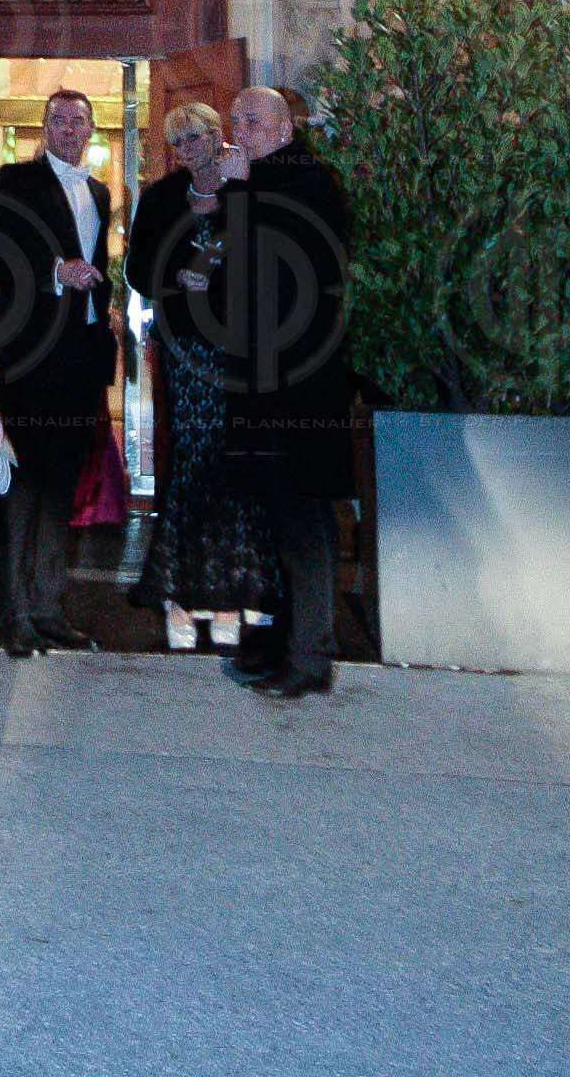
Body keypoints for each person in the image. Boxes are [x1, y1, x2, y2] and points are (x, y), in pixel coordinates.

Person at [210, 85, 354, 700]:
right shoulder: (262, 181)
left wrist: (238, 191)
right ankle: (286, 648)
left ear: (285, 129)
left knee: (303, 519)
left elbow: (266, 263)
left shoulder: (310, 185)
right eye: (235, 118)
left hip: (300, 387)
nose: (239, 128)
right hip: (262, 383)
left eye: (253, 119)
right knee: (276, 522)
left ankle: (312, 658)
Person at [126, 100, 281, 654]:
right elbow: (138, 270)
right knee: (193, 459)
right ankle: (182, 595)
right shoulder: (162, 198)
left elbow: (272, 263)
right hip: (187, 347)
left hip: (241, 349)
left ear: (220, 135)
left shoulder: (249, 186)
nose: (192, 148)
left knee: (236, 462)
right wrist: (181, 274)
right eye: (181, 141)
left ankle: (236, 592)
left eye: (200, 135)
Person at [0, 87, 116, 656]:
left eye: (77, 120)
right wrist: (54, 271)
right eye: (56, 119)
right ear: (42, 127)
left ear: (91, 131)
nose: (66, 127)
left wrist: (100, 300)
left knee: (61, 485)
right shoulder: (16, 182)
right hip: (30, 354)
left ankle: (48, 607)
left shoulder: (101, 191)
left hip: (82, 357)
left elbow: (98, 266)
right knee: (24, 483)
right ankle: (13, 613)